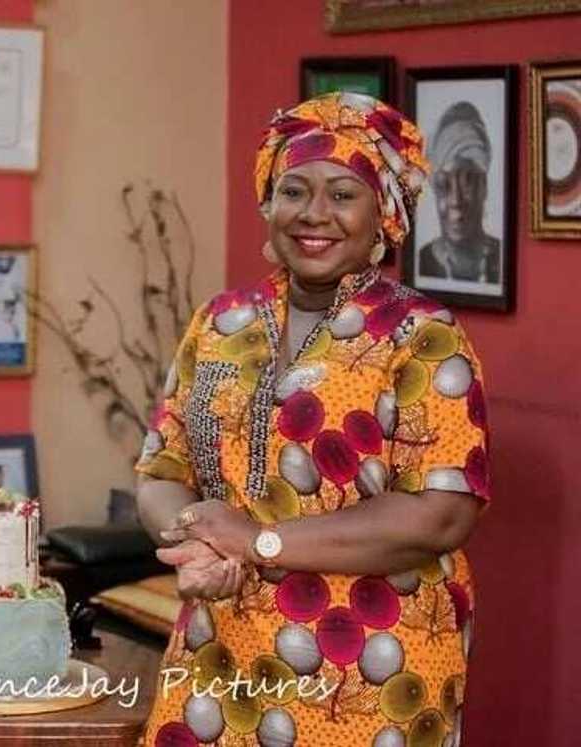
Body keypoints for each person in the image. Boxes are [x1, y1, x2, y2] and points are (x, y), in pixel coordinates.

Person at [135, 92, 489, 746]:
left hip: (370, 669)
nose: (313, 213)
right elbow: (160, 469)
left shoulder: (423, 337)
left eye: (342, 194)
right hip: (221, 650)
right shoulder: (221, 322)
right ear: (269, 204)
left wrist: (259, 541)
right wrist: (195, 541)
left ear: (383, 214)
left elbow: (441, 516)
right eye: (293, 191)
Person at [417, 101, 501, 283]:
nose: (456, 200)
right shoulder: (422, 260)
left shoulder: (501, 257)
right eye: (444, 185)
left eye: (467, 182)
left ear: (484, 187)